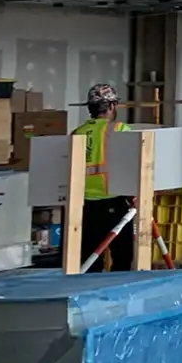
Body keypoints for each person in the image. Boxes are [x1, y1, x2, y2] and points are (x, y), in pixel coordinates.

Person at [72, 83, 132, 269]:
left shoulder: (76, 133)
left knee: (89, 261)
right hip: (112, 201)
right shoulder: (119, 130)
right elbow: (135, 166)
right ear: (112, 106)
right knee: (122, 258)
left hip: (83, 205)